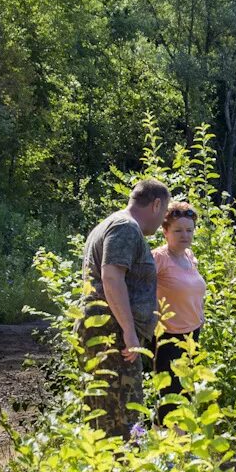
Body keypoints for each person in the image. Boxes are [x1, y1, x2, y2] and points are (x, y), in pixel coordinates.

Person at [78, 178, 171, 436]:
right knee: (122, 413)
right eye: (164, 212)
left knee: (104, 409)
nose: (163, 219)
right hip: (113, 333)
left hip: (106, 329)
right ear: (155, 204)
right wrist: (129, 332)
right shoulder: (126, 227)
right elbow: (112, 277)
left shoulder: (112, 224)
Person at [151, 201, 205, 413]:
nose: (185, 235)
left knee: (186, 390)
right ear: (165, 231)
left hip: (192, 334)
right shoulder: (158, 258)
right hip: (168, 337)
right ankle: (166, 440)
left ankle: (181, 440)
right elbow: (138, 288)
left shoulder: (190, 257)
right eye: (178, 230)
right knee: (169, 396)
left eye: (189, 230)